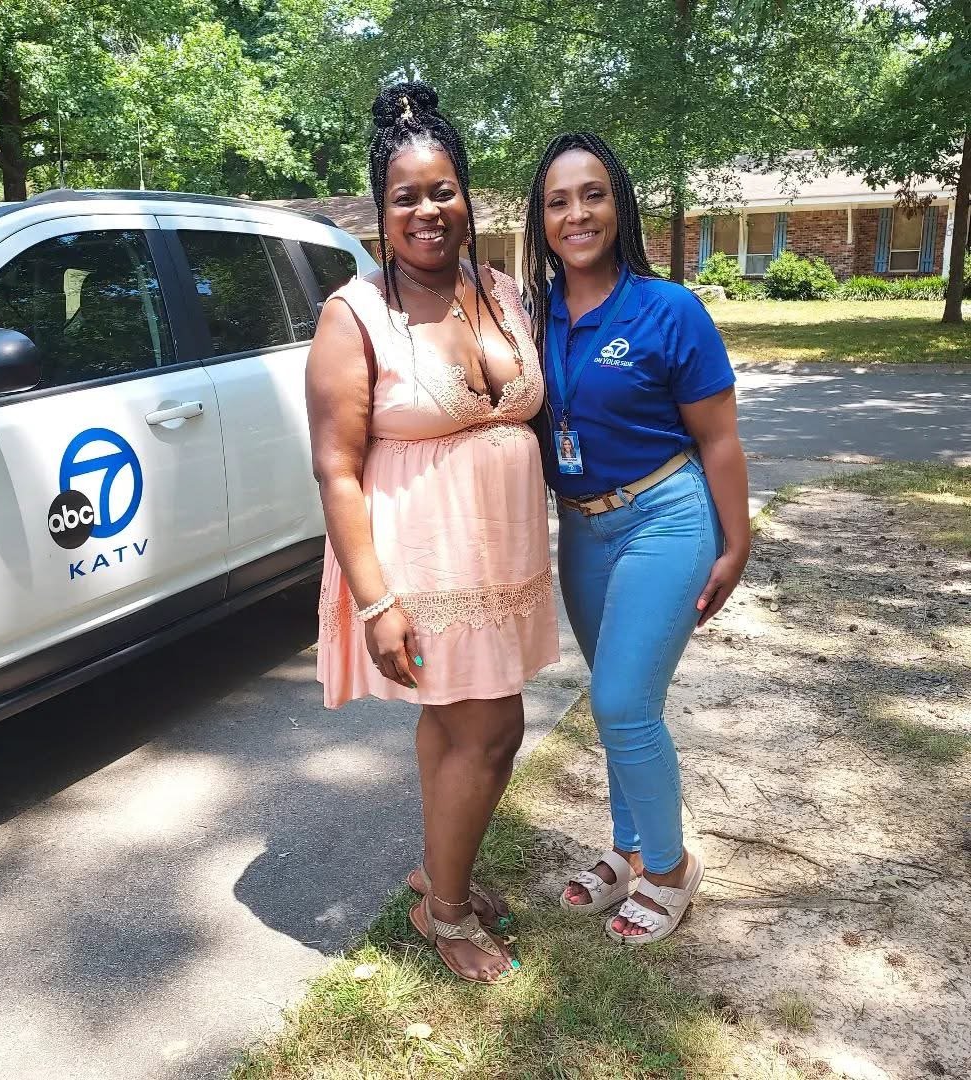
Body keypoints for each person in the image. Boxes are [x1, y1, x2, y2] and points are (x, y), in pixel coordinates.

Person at [307, 82, 559, 983]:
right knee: (491, 732)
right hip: (422, 569)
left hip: (502, 562)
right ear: (382, 213)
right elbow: (336, 469)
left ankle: (438, 871)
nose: (427, 210)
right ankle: (444, 914)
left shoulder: (500, 291)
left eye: (442, 190)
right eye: (405, 196)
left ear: (466, 197)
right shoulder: (355, 315)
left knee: (459, 731)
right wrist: (377, 602)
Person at [523, 132, 750, 945]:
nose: (577, 214)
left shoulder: (669, 309)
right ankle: (626, 850)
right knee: (613, 695)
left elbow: (719, 439)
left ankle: (670, 868)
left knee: (624, 701)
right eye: (558, 201)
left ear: (619, 204)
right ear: (541, 220)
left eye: (593, 194)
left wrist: (736, 543)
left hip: (665, 516)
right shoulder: (529, 316)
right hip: (583, 530)